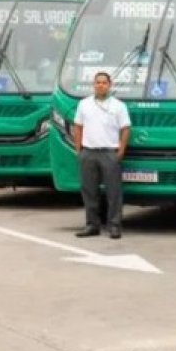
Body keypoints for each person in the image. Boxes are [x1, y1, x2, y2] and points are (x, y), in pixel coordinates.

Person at [72, 71, 131, 239]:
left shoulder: (119, 106)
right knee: (89, 191)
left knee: (114, 192)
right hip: (88, 152)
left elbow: (125, 129)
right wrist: (79, 150)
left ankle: (114, 226)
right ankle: (92, 225)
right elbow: (78, 127)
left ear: (109, 85)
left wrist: (120, 152)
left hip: (109, 153)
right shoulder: (84, 104)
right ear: (93, 85)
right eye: (97, 82)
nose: (100, 85)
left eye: (104, 82)